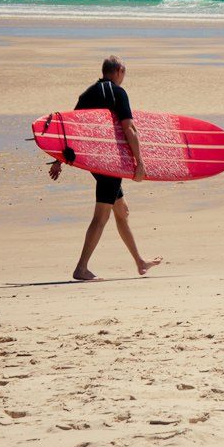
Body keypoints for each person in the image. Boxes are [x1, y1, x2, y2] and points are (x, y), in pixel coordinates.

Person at [48, 55, 162, 281]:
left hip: (96, 162)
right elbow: (130, 129)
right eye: (124, 72)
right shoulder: (118, 93)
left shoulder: (88, 94)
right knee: (101, 216)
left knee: (122, 211)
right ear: (119, 70)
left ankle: (140, 262)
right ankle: (81, 268)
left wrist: (59, 160)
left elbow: (70, 129)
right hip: (112, 163)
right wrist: (140, 162)